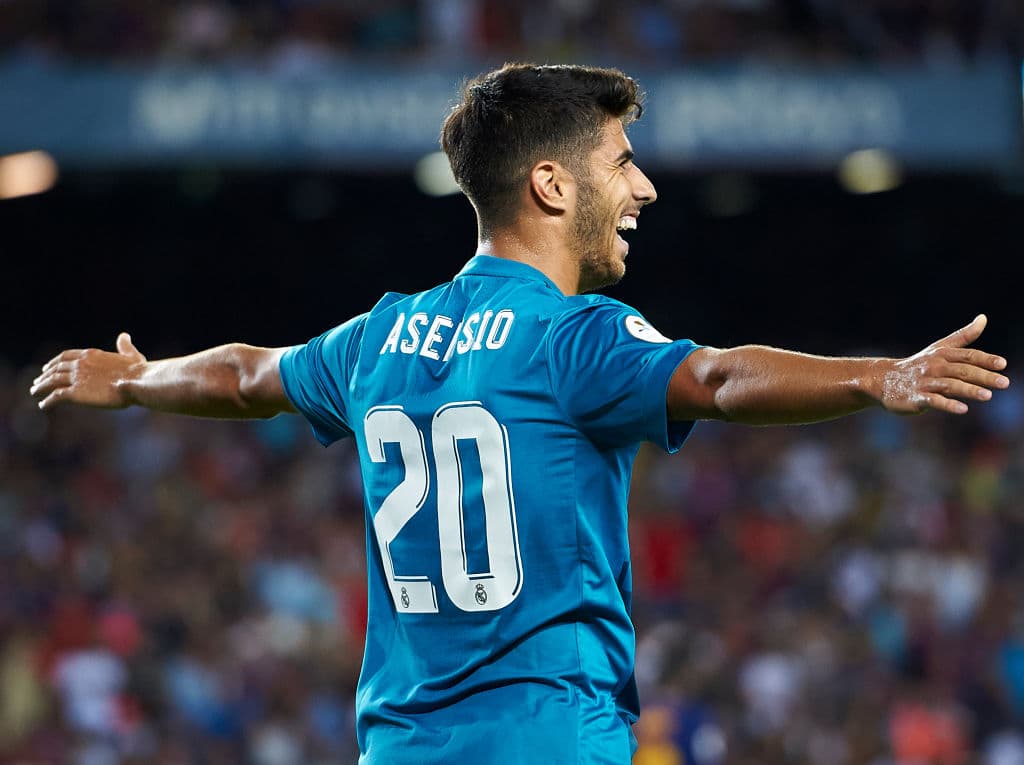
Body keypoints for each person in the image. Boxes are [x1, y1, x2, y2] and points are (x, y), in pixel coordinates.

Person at [30, 63, 1009, 764]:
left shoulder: (378, 339)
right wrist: (874, 376)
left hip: (400, 744)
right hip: (549, 736)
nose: (644, 186)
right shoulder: (571, 338)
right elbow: (713, 380)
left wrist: (136, 379)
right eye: (621, 161)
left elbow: (244, 375)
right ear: (550, 183)